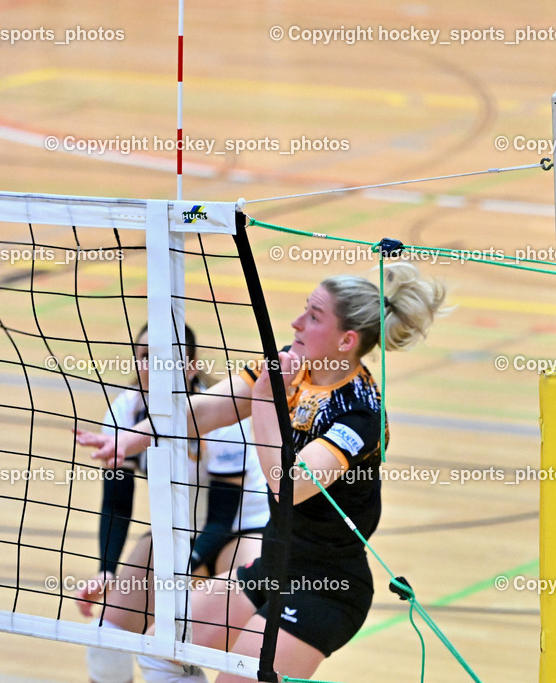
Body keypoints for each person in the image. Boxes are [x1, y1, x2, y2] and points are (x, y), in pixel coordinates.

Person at [77, 262, 446, 681]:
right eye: (305, 309)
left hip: (324, 589)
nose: (296, 322)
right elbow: (208, 409)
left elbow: (287, 485)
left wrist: (267, 400)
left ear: (346, 340)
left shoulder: (361, 411)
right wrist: (133, 439)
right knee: (163, 646)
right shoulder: (291, 367)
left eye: (313, 316)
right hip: (271, 568)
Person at [77, 324, 269, 683]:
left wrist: (186, 568)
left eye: (169, 359)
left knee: (243, 643)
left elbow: (221, 519)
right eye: (147, 357)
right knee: (107, 639)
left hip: (241, 530)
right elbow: (117, 505)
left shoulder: (221, 417)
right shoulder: (125, 413)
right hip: (177, 530)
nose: (155, 367)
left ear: (191, 367)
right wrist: (107, 569)